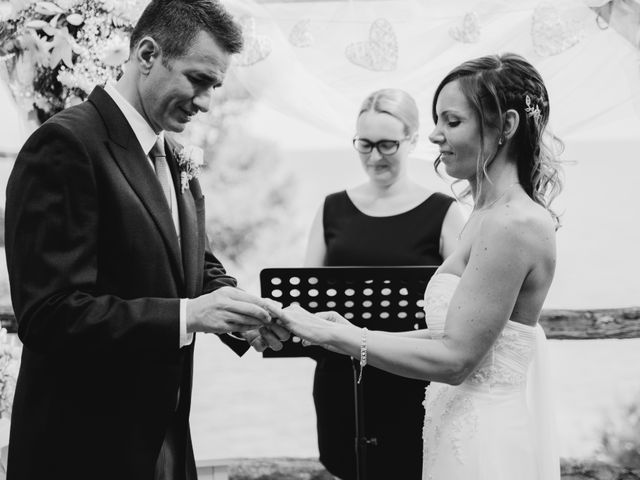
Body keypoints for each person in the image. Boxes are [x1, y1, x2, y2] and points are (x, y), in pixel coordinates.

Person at [3, 1, 288, 479]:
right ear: (148, 54)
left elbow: (192, 265)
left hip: (164, 439)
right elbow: (50, 315)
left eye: (214, 86)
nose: (205, 103)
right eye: (198, 80)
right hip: (82, 450)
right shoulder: (66, 145)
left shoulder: (174, 155)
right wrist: (187, 316)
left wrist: (244, 316)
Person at [275, 53, 563, 480]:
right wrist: (347, 331)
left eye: (452, 121)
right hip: (452, 427)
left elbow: (457, 359)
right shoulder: (486, 214)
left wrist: (339, 335)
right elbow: (459, 331)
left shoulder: (513, 223)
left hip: (484, 444)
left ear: (506, 126)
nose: (435, 135)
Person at [304, 88, 464, 480]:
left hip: (413, 380)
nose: (375, 157)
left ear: (412, 140)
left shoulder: (443, 211)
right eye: (365, 144)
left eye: (388, 144)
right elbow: (308, 296)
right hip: (341, 381)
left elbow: (462, 310)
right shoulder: (331, 208)